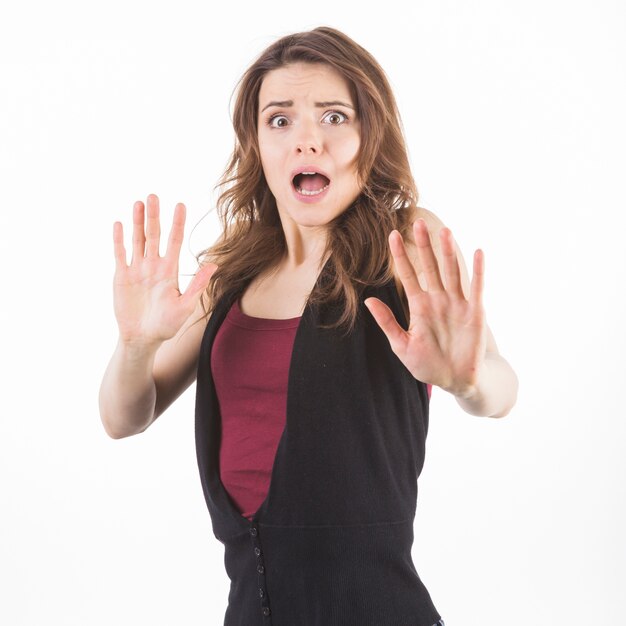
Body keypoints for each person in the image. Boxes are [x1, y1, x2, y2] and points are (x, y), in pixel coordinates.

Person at [99, 26, 518, 626]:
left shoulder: (401, 243)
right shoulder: (229, 269)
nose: (307, 143)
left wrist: (468, 380)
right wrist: (135, 346)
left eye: (333, 117)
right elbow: (123, 416)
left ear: (369, 135)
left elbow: (501, 390)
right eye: (280, 121)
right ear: (257, 145)